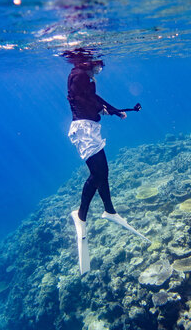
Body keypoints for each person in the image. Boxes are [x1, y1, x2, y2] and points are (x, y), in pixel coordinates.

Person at [66, 59, 150, 275]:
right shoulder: (78, 75)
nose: (101, 69)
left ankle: (109, 210)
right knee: (98, 173)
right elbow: (82, 99)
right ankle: (81, 215)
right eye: (99, 65)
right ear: (89, 62)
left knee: (103, 172)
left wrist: (112, 110)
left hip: (90, 129)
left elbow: (93, 99)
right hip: (84, 131)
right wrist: (103, 109)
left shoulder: (82, 75)